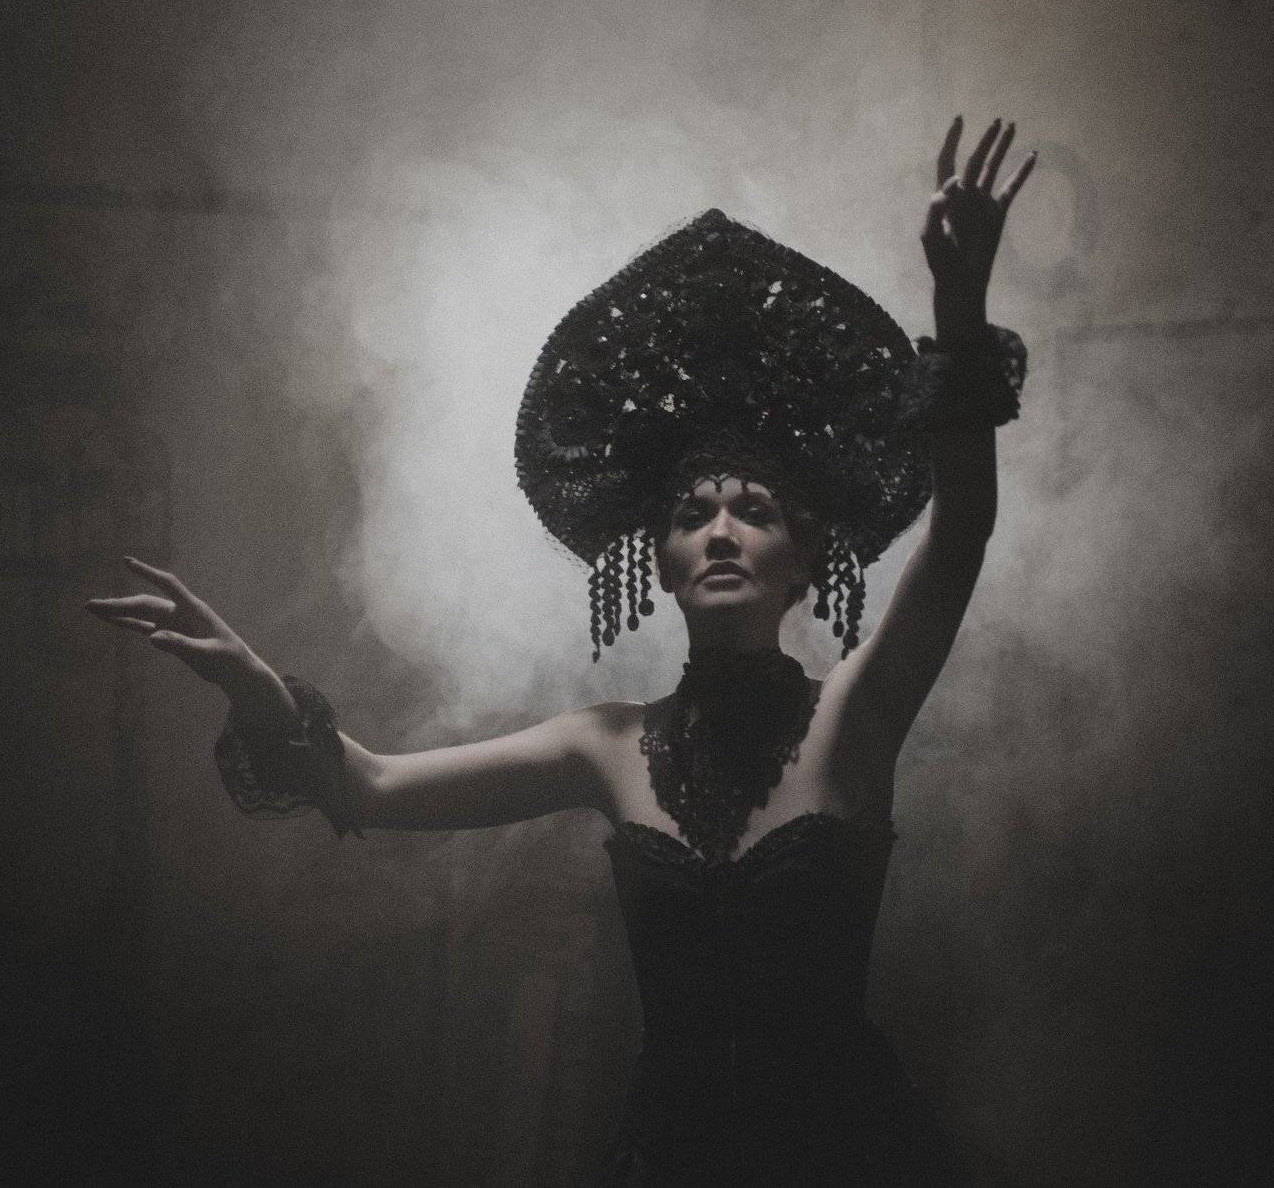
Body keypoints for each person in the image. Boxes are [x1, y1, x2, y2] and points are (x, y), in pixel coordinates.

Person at [87, 116, 1036, 1185]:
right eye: (692, 514)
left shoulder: (855, 716)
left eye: (755, 510)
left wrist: (960, 310)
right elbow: (372, 785)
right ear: (658, 562)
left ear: (807, 558)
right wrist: (257, 688)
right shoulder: (604, 745)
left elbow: (962, 529)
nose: (722, 531)